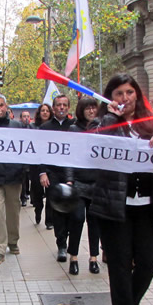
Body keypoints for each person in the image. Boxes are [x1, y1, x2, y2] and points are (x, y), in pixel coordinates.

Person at [89, 74, 153, 305]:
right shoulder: (104, 124)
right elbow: (96, 150)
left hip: (148, 208)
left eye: (129, 92)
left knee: (148, 262)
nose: (124, 98)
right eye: (119, 93)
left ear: (137, 94)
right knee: (120, 268)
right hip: (116, 208)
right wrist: (111, 119)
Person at [40, 95, 83, 269]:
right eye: (58, 105)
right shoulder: (44, 128)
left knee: (74, 212)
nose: (62, 108)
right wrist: (42, 172)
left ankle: (73, 244)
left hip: (73, 174)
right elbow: (40, 152)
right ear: (54, 107)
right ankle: (61, 245)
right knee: (57, 210)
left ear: (69, 107)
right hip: (53, 174)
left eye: (65, 105)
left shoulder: (75, 127)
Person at [0, 94, 25, 266]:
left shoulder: (17, 126)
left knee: (13, 211)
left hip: (13, 176)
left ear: (7, 107)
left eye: (1, 105)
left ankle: (13, 241)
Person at [68, 96, 101, 274]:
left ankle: (93, 258)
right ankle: (73, 256)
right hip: (78, 182)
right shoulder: (73, 129)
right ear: (81, 110)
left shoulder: (102, 128)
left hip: (97, 182)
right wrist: (69, 179)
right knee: (78, 218)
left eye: (93, 108)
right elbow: (70, 157)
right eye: (87, 108)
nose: (91, 111)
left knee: (94, 221)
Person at [30, 103, 53, 227]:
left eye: (47, 111)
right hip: (36, 166)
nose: (45, 113)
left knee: (50, 193)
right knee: (37, 193)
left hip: (50, 165)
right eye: (42, 110)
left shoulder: (53, 127)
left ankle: (49, 220)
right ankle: (38, 211)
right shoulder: (33, 127)